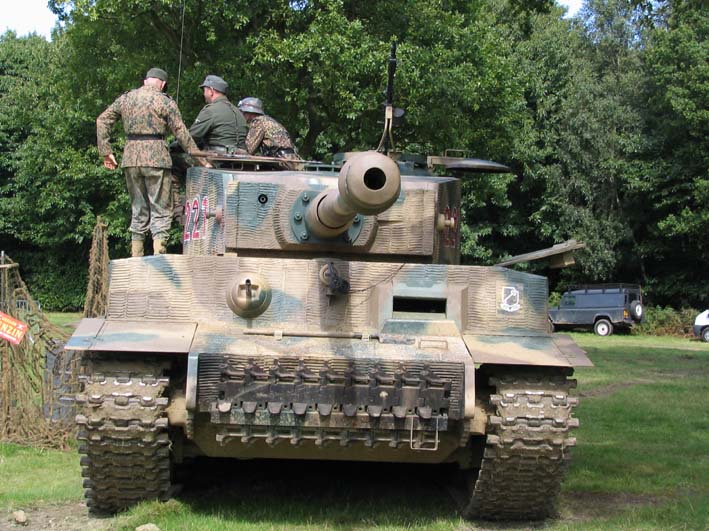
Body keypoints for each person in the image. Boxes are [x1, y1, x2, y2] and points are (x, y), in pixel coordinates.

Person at [97, 67, 205, 257]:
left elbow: (102, 120)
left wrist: (106, 152)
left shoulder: (126, 98)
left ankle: (136, 255)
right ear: (162, 84)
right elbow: (181, 133)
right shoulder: (165, 101)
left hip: (131, 158)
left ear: (146, 80)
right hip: (157, 159)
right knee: (161, 208)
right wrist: (201, 159)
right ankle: (159, 255)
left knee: (138, 208)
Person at [189, 75, 248, 152]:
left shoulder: (210, 111)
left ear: (211, 91)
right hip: (241, 157)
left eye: (204, 90)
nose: (204, 94)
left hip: (216, 157)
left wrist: (175, 146)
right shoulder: (239, 112)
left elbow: (191, 137)